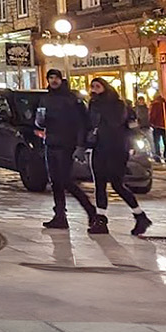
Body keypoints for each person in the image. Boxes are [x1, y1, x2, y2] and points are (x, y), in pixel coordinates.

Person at [35, 68, 99, 231]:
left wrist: (80, 145)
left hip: (67, 144)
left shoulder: (72, 99)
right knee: (55, 181)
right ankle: (60, 215)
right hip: (51, 143)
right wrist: (40, 122)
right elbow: (40, 122)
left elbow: (82, 124)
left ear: (61, 79)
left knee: (66, 181)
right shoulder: (45, 99)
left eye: (56, 77)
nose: (53, 81)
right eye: (50, 78)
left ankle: (90, 211)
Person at [86, 77, 151, 236]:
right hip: (99, 148)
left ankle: (140, 215)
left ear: (105, 87)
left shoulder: (119, 105)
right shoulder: (93, 105)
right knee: (99, 184)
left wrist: (133, 144)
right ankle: (101, 220)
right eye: (93, 86)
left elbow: (128, 125)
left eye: (98, 86)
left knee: (117, 184)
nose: (95, 89)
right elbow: (89, 125)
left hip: (117, 148)